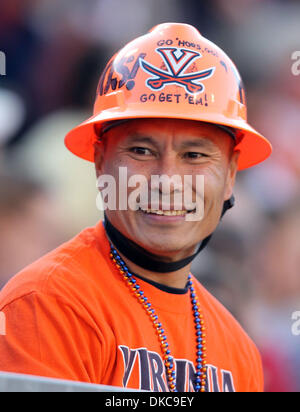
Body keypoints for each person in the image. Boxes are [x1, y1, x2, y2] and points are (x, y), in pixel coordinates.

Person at [0, 23, 272, 392]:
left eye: (194, 156)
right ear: (100, 162)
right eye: (142, 152)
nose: (167, 180)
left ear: (229, 176)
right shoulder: (46, 305)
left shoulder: (239, 350)